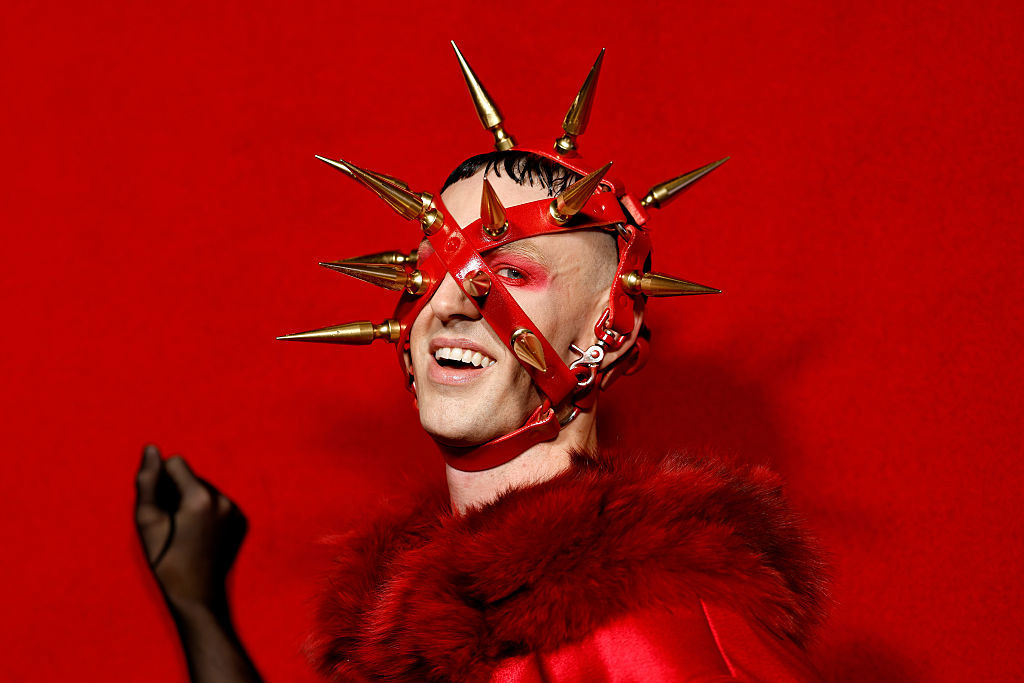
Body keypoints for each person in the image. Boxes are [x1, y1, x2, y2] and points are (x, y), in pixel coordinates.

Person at [136, 44, 828, 682]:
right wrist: (201, 606)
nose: (450, 305)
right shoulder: (421, 623)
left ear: (609, 333)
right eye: (428, 272)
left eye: (511, 275)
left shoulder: (663, 637)